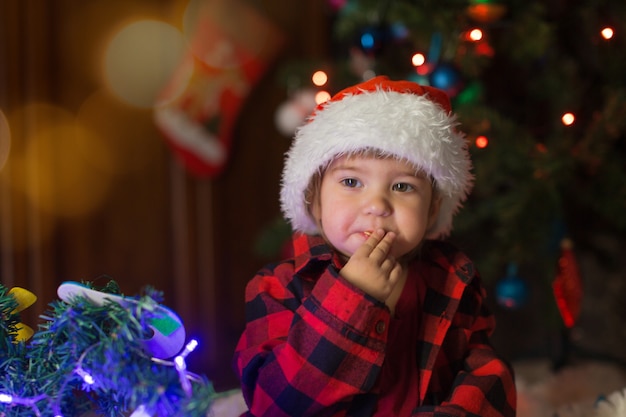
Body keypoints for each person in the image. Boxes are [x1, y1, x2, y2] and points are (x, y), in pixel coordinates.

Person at [233, 76, 516, 417]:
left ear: (432, 211)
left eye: (402, 186)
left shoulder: (452, 280)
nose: (378, 204)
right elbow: (273, 403)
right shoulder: (277, 287)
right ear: (315, 201)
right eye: (352, 182)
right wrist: (352, 296)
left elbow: (487, 373)